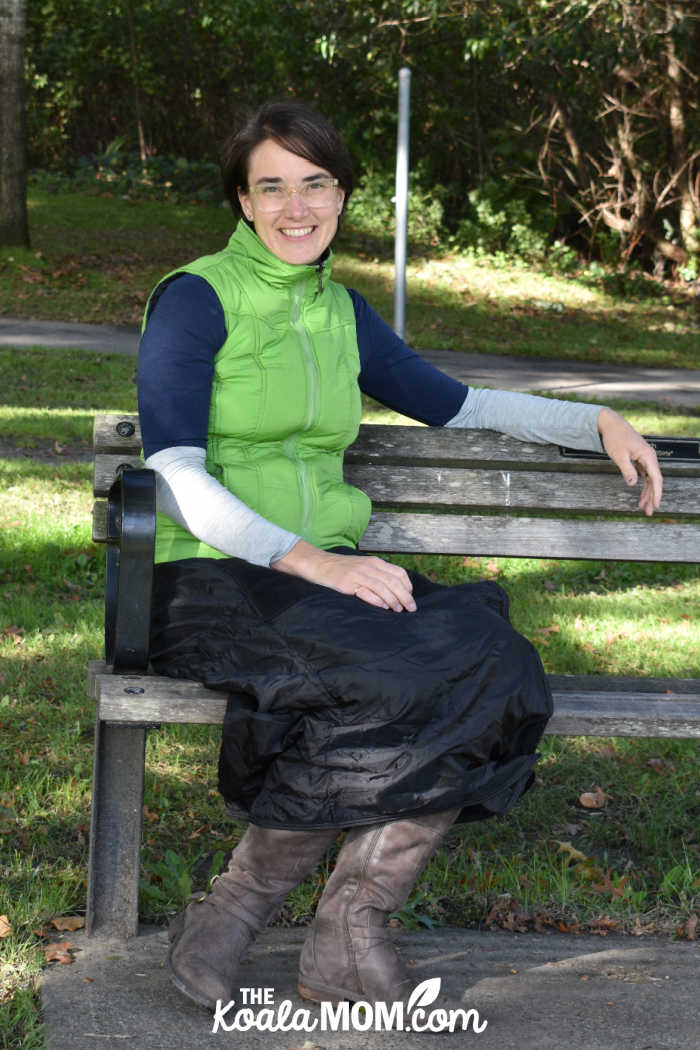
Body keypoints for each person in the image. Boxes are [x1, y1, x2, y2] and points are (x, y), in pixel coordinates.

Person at [137, 99, 662, 1019]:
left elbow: (457, 404)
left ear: (342, 196)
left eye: (317, 183)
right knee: (413, 678)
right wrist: (316, 563)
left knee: (492, 662)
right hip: (209, 579)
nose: (297, 206)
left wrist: (596, 419)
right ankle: (235, 910)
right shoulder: (196, 298)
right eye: (274, 186)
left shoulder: (341, 311)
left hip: (319, 583)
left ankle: (349, 928)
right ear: (241, 201)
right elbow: (176, 474)